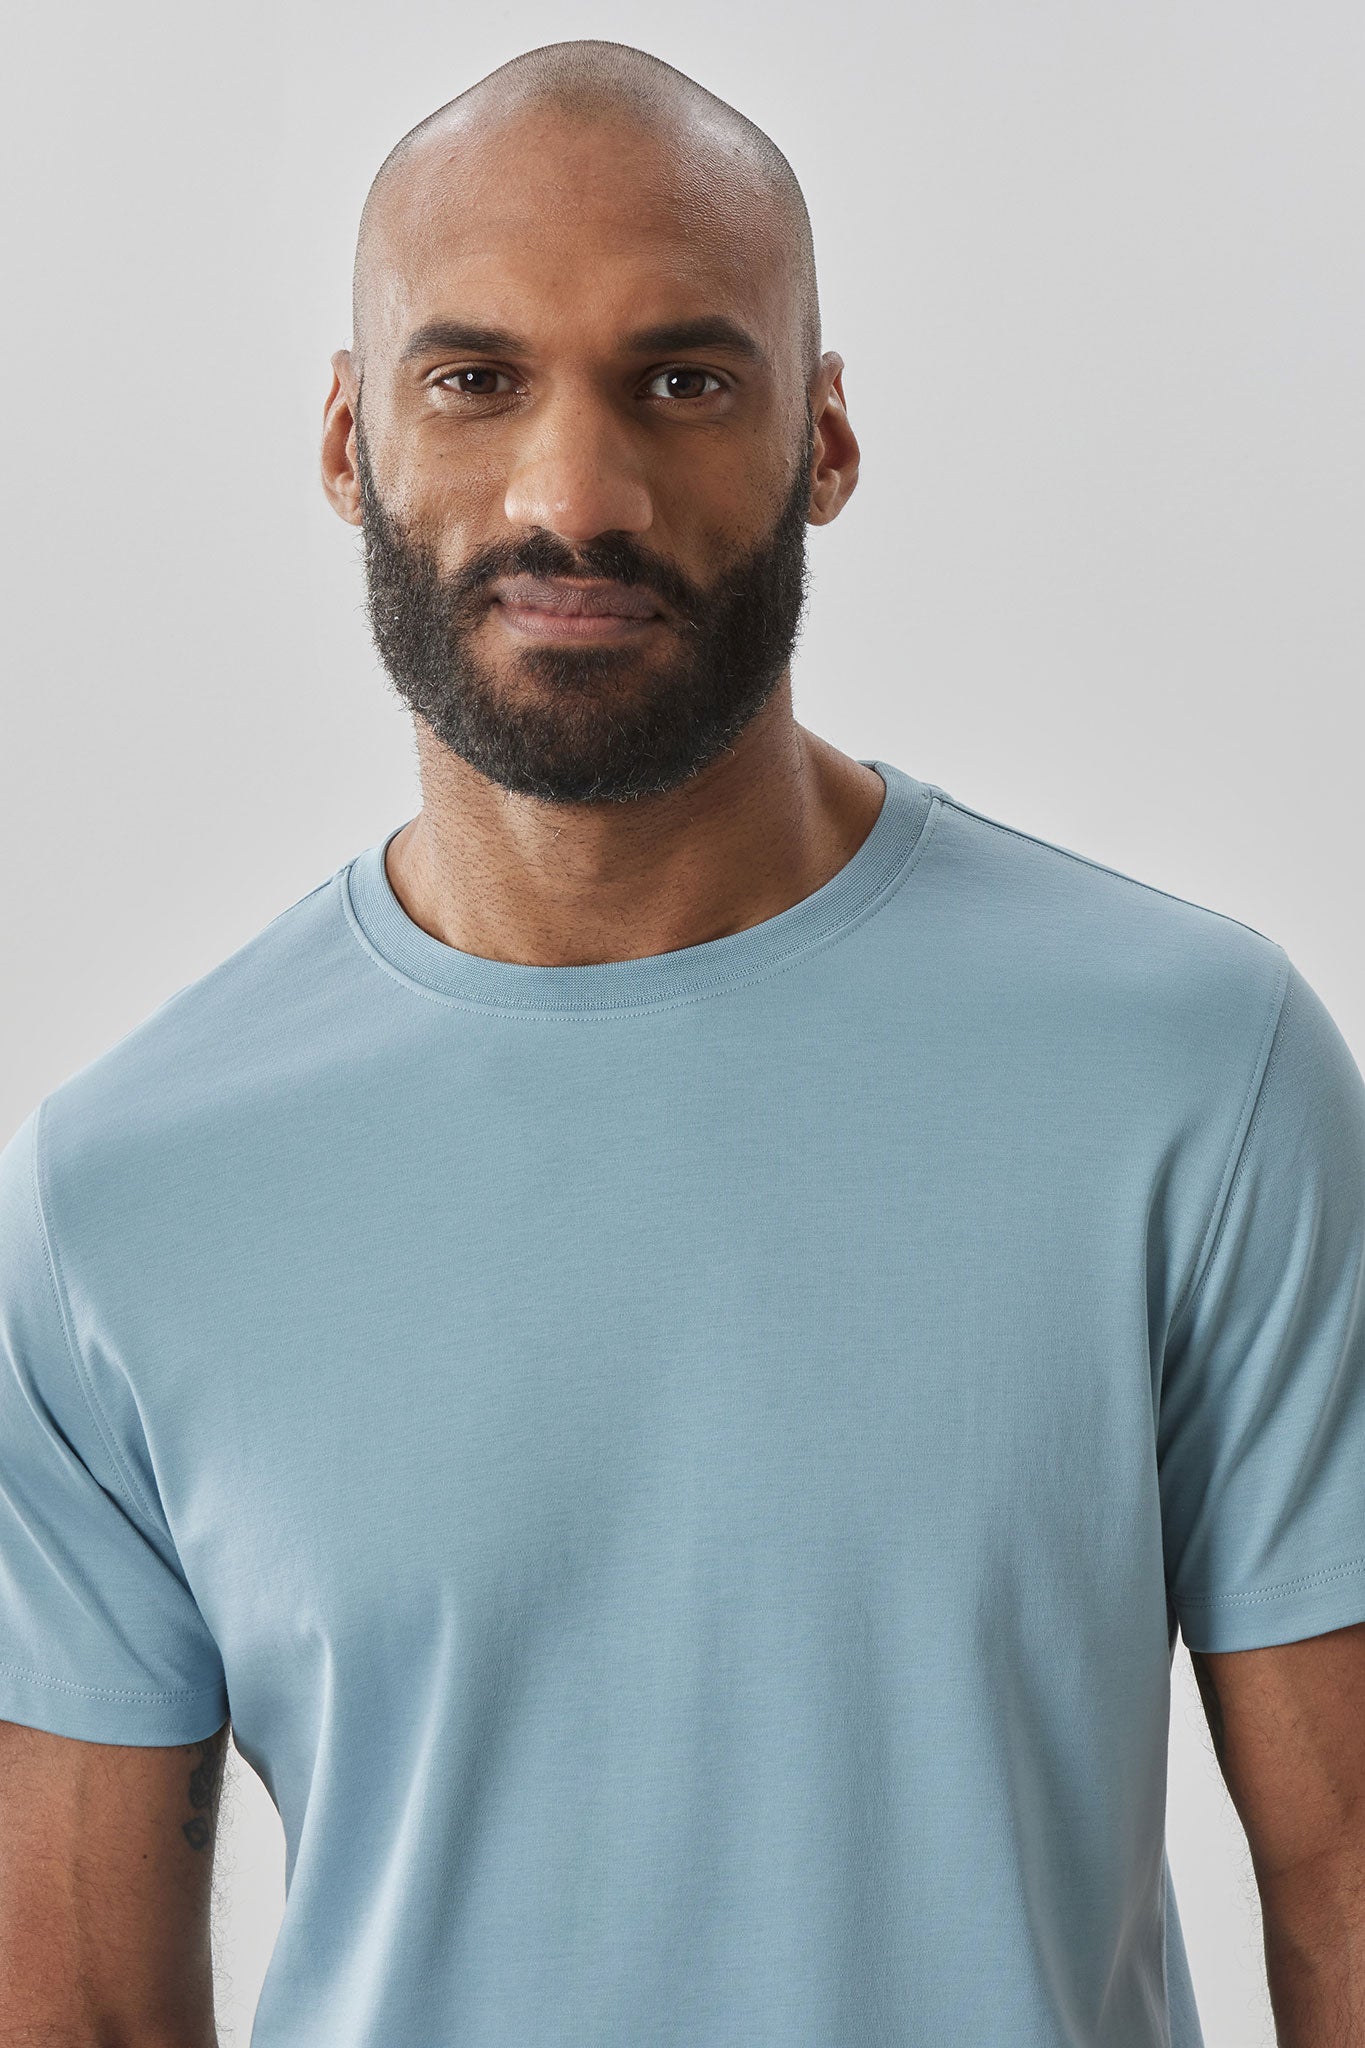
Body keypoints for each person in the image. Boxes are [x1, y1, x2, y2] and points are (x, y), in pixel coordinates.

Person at [1, 37, 1362, 2048]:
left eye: (683, 380)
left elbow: (1343, 1876)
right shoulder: (119, 1199)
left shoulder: (1191, 1071)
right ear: (348, 438)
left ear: (823, 438)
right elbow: (81, 2015)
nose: (574, 495)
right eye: (474, 378)